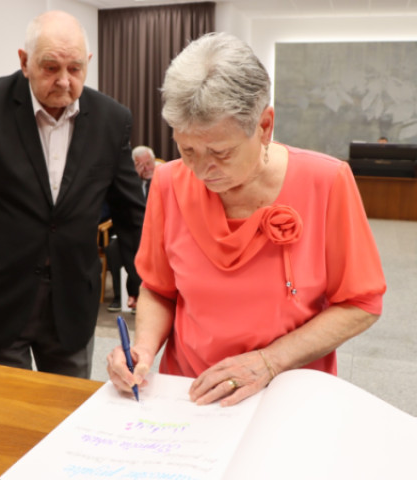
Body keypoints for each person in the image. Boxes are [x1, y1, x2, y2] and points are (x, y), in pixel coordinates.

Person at [107, 32, 386, 406]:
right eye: (187, 150)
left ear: (265, 126)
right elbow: (159, 289)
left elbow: (360, 304)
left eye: (221, 152)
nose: (201, 170)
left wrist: (270, 361)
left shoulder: (327, 181)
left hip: (288, 393)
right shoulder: (169, 182)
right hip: (192, 394)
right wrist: (142, 348)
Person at [0, 10, 145, 378]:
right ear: (24, 62)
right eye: (50, 67)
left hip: (73, 299)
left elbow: (131, 210)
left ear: (88, 63)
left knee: (68, 407)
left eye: (75, 68)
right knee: (3, 407)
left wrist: (141, 282)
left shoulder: (112, 119)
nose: (64, 81)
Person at [105, 146, 159, 313]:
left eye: (149, 163)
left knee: (139, 241)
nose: (146, 168)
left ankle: (136, 293)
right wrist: (133, 179)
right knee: (113, 249)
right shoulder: (127, 183)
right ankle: (119, 296)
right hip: (129, 231)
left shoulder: (160, 179)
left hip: (155, 232)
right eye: (140, 165)